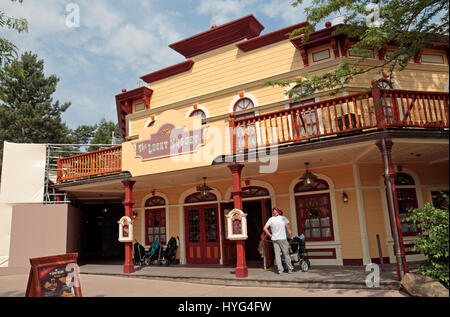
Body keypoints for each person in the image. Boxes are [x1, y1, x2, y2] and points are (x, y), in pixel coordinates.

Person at [263, 207, 296, 276]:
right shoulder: (283, 218)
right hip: (283, 239)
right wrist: (291, 236)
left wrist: (270, 235)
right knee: (286, 254)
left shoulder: (270, 219)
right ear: (278, 212)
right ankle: (290, 269)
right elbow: (288, 229)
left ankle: (280, 271)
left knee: (277, 255)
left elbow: (265, 228)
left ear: (273, 212)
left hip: (275, 239)